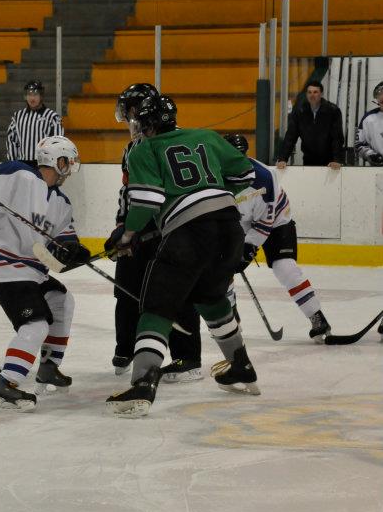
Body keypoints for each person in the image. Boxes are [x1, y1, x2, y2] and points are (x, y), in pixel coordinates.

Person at [104, 96, 260, 417]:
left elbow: (146, 202)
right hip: (229, 227)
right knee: (211, 299)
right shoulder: (205, 136)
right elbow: (246, 174)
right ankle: (240, 365)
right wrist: (209, 191)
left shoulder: (144, 149)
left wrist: (129, 235)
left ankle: (144, 382)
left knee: (156, 306)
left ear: (147, 125)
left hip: (189, 232)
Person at [0, 136, 90, 412]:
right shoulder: (18, 173)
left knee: (62, 300)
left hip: (31, 270)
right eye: (68, 162)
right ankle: (7, 383)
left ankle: (48, 367)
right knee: (36, 325)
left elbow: (63, 242)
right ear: (57, 160)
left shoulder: (62, 203)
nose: (70, 169)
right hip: (5, 264)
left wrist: (74, 251)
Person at [109, 82, 203, 383]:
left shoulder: (173, 140)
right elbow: (129, 191)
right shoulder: (133, 147)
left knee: (177, 291)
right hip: (141, 224)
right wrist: (122, 225)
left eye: (130, 112)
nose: (128, 120)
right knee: (126, 285)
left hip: (172, 227)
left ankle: (187, 357)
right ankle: (127, 347)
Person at [224, 134, 332, 341]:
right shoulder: (214, 177)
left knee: (285, 268)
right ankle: (229, 318)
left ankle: (316, 316)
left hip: (277, 222)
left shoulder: (264, 176)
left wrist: (249, 247)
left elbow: (266, 220)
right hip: (237, 224)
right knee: (222, 268)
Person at [276, 80, 344, 169]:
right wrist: (283, 159)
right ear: (306, 94)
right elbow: (290, 137)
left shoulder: (333, 111)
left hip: (330, 162)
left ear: (321, 94)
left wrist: (337, 160)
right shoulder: (299, 111)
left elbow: (337, 137)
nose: (312, 95)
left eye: (315, 92)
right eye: (309, 92)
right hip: (308, 160)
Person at [6, 79, 63, 166]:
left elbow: (57, 142)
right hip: (23, 164)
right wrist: (13, 163)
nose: (32, 98)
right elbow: (11, 140)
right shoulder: (17, 116)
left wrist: (52, 164)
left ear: (41, 96)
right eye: (29, 94)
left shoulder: (52, 117)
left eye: (35, 94)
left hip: (44, 165)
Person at [355, 80, 383, 165]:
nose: (382, 96)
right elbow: (359, 144)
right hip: (377, 169)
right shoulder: (368, 118)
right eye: (379, 94)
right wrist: (370, 155)